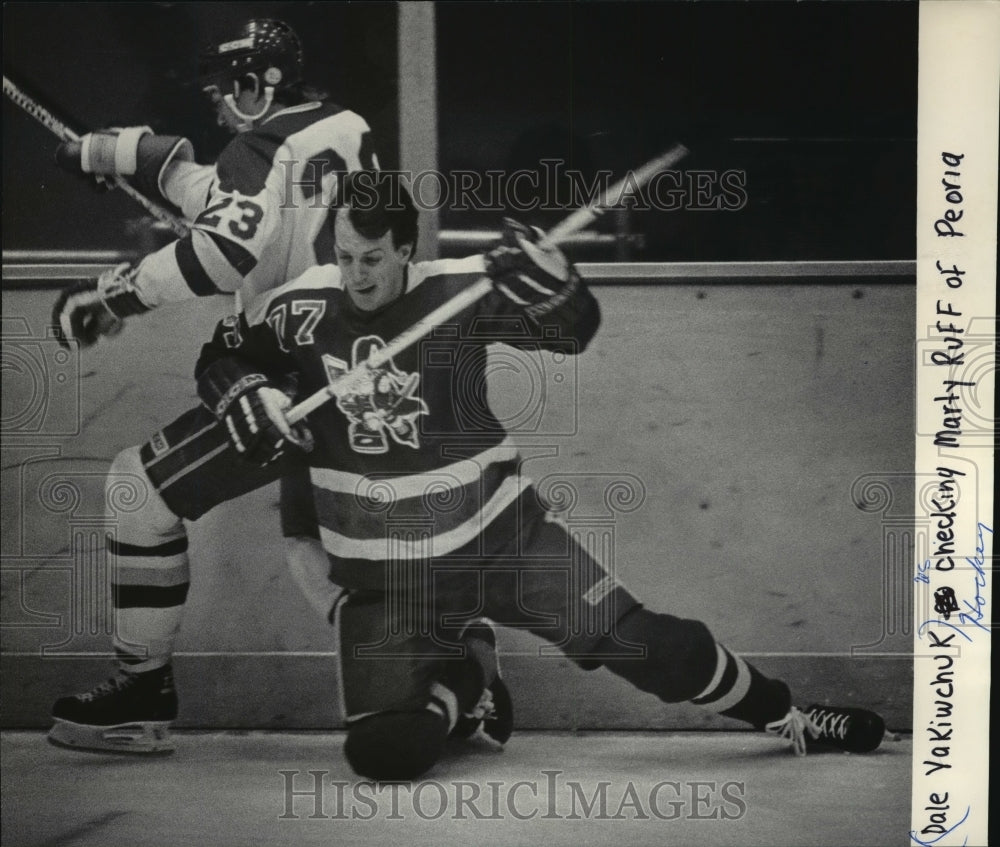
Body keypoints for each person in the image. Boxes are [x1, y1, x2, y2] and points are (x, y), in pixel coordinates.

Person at [191, 171, 888, 780]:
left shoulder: (458, 293)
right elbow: (219, 356)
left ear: (406, 247)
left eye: (373, 257)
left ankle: (789, 713)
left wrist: (558, 285)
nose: (357, 275)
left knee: (652, 647)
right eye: (344, 257)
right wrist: (242, 390)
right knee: (381, 751)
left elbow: (573, 330)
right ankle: (469, 674)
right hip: (387, 580)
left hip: (503, 546)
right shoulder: (300, 307)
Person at [47, 19, 377, 754]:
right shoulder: (340, 130)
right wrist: (123, 152)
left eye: (227, 96)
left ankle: (140, 691)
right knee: (316, 553)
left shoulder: (260, 145)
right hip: (352, 365)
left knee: (137, 492)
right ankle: (461, 677)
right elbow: (231, 198)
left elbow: (226, 248)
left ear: (258, 86)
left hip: (288, 376)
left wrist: (115, 294)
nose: (220, 111)